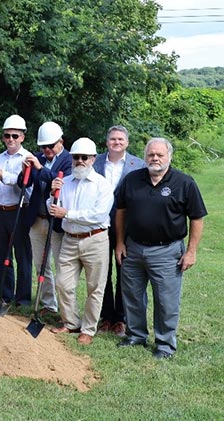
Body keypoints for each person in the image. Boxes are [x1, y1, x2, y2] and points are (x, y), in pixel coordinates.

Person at [115, 137, 206, 359]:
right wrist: (119, 242)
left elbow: (197, 217)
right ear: (145, 157)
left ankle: (165, 344)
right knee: (133, 296)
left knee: (166, 301)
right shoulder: (132, 179)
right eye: (150, 154)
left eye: (159, 154)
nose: (155, 158)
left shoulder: (184, 183)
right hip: (133, 248)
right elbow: (120, 211)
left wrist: (191, 251)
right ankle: (136, 335)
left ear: (169, 157)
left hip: (167, 252)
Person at [47, 138, 114, 345]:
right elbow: (51, 207)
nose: (80, 161)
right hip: (70, 239)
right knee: (63, 283)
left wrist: (67, 213)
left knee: (95, 287)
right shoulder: (64, 182)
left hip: (95, 239)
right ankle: (71, 322)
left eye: (85, 157)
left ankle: (88, 328)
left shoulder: (102, 185)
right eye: (76, 157)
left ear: (93, 159)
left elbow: (98, 215)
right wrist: (52, 194)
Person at [94, 125, 146, 337]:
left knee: (124, 271)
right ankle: (106, 316)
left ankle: (121, 319)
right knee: (101, 272)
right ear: (106, 142)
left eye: (120, 139)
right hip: (99, 223)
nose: (116, 142)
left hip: (126, 225)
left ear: (127, 143)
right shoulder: (95, 161)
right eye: (113, 139)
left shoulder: (138, 165)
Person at [0, 115, 33, 309]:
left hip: (19, 211)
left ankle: (23, 299)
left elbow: (15, 180)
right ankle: (5, 294)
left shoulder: (27, 159)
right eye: (7, 136)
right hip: (0, 212)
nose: (10, 139)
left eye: (15, 136)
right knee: (2, 255)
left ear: (22, 137)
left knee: (22, 256)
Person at [22, 122, 72, 316]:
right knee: (40, 265)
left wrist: (40, 167)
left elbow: (62, 183)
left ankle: (65, 310)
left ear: (61, 142)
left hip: (57, 222)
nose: (47, 150)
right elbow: (23, 183)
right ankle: (48, 305)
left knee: (62, 267)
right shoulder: (39, 158)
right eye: (44, 147)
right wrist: (24, 169)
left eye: (51, 146)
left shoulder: (69, 159)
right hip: (37, 218)